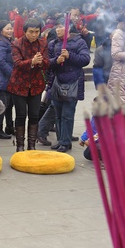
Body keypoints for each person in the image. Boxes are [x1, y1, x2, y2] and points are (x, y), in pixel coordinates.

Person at [7, 18, 50, 152]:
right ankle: (20, 145)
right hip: (19, 85)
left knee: (34, 115)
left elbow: (47, 63)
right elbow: (17, 63)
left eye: (37, 32)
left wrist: (41, 62)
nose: (34, 34)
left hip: (36, 85)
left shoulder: (43, 44)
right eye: (31, 32)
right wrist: (32, 61)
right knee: (20, 115)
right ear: (25, 31)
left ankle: (32, 145)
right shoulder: (16, 44)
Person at [48, 17, 90, 152]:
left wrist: (69, 56)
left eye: (61, 26)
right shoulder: (53, 43)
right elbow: (48, 62)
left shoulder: (79, 42)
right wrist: (56, 60)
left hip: (72, 82)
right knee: (58, 114)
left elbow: (85, 59)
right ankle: (61, 140)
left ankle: (66, 142)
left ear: (68, 28)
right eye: (57, 26)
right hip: (57, 81)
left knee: (67, 114)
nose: (58, 29)